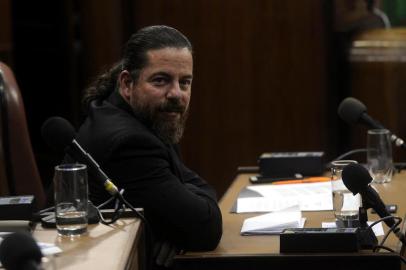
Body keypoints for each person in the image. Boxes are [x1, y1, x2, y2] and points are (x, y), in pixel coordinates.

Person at [75, 25, 222, 267]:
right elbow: (206, 228)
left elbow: (194, 196)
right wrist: (176, 227)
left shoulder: (144, 119)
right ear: (126, 84)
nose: (176, 93)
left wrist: (168, 228)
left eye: (185, 82)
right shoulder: (130, 143)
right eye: (161, 80)